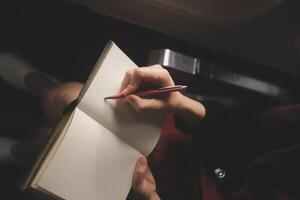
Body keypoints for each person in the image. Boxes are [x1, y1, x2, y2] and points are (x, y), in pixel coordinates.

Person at [121, 66, 300, 200]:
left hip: (194, 192)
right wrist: (183, 105)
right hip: (207, 149)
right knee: (130, 109)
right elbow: (254, 129)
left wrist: (151, 197)